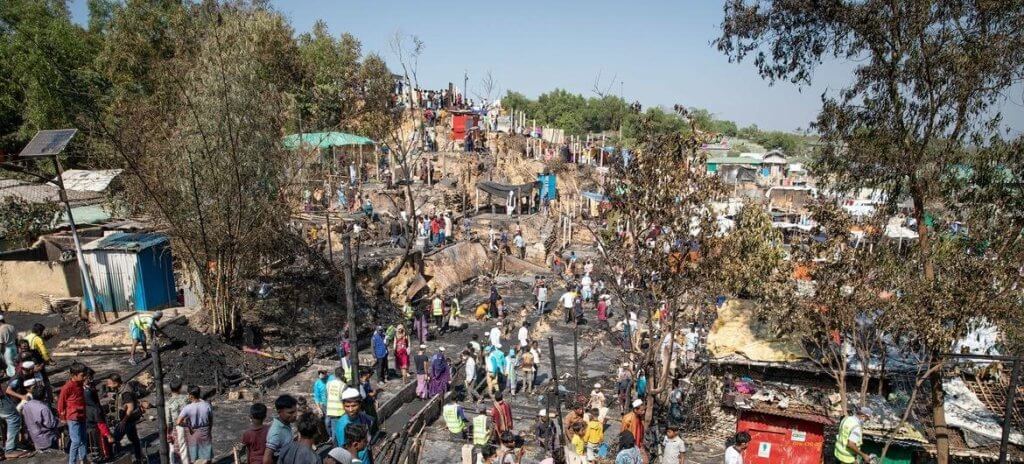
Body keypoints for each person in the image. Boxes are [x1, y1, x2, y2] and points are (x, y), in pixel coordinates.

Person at [107, 373, 144, 463]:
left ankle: (118, 459)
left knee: (114, 438)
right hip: (129, 420)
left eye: (110, 383)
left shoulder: (125, 393)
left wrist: (123, 421)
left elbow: (130, 408)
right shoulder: (123, 388)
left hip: (127, 420)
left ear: (116, 383)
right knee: (134, 439)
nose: (108, 385)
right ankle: (139, 458)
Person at [58, 362, 88, 464]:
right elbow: (61, 403)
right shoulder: (67, 387)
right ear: (74, 375)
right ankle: (72, 462)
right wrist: (62, 417)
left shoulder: (80, 384)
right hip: (73, 416)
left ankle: (83, 459)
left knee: (83, 439)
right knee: (76, 441)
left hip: (82, 415)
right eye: (82, 375)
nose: (84, 378)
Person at [334, 388, 374, 463]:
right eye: (347, 406)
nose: (350, 410)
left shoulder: (362, 416)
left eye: (354, 405)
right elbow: (344, 451)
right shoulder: (342, 425)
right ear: (343, 405)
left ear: (360, 404)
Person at [177, 385, 214, 460]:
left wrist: (189, 426)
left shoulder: (187, 408)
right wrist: (209, 431)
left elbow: (178, 422)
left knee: (194, 455)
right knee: (207, 456)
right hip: (205, 431)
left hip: (193, 433)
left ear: (190, 395)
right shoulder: (207, 405)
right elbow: (211, 421)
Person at [23, 382, 58, 451]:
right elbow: (50, 424)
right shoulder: (44, 408)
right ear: (44, 395)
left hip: (34, 438)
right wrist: (57, 420)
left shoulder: (27, 405)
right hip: (47, 439)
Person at [264, 395, 298, 464]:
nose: (295, 415)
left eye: (295, 411)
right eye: (290, 412)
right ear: (279, 412)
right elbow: (266, 460)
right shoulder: (276, 432)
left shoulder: (286, 423)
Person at [164, 378, 190, 464]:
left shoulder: (169, 403)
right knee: (185, 449)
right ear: (180, 388)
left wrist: (168, 433)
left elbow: (169, 421)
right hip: (187, 425)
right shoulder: (186, 398)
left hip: (177, 427)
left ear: (170, 388)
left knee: (174, 450)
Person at [325, 367, 346, 434]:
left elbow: (326, 395)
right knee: (342, 431)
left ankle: (335, 444)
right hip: (340, 411)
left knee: (334, 431)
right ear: (342, 375)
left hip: (330, 410)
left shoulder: (328, 384)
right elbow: (344, 399)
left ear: (335, 374)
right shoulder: (343, 385)